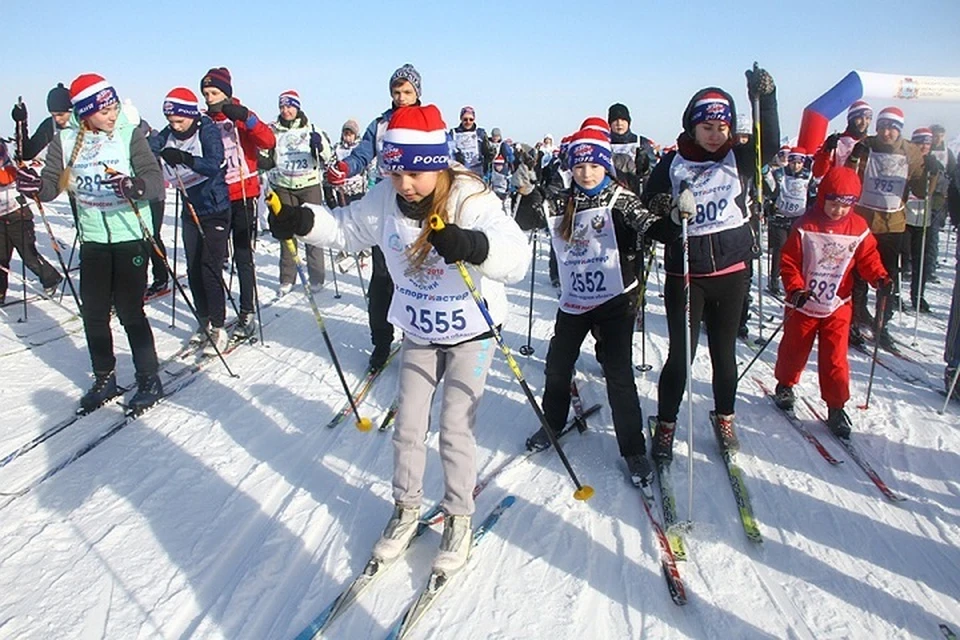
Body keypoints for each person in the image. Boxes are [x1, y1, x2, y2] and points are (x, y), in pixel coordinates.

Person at [268, 104, 528, 576]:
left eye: (414, 172)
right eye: (395, 171)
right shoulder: (386, 198)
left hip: (474, 332)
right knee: (408, 426)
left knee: (453, 428)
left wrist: (472, 245)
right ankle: (407, 509)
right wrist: (301, 221)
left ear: (436, 165)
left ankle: (458, 516)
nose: (404, 183)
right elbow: (346, 229)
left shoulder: (469, 198)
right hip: (419, 330)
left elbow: (515, 256)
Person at [525, 121, 681, 488]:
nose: (587, 173)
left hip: (615, 299)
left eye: (594, 166)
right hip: (576, 299)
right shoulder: (564, 198)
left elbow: (651, 228)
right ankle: (553, 420)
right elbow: (528, 220)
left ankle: (632, 449)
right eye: (579, 167)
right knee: (557, 366)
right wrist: (529, 194)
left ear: (605, 165)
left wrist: (673, 220)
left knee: (618, 375)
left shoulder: (620, 197)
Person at [641, 65, 780, 459]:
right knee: (680, 358)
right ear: (692, 127)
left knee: (724, 355)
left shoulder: (739, 156)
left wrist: (766, 100)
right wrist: (669, 213)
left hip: (732, 271)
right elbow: (650, 210)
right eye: (708, 127)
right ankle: (666, 423)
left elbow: (768, 142)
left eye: (723, 127)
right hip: (686, 274)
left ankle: (724, 416)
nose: (716, 134)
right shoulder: (672, 163)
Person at [16, 73, 164, 413]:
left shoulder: (128, 134)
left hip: (129, 236)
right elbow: (53, 185)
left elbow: (155, 180)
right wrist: (33, 186)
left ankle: (148, 377)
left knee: (130, 311)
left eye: (113, 107)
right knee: (94, 314)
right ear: (85, 112)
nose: (111, 114)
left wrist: (135, 186)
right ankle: (104, 376)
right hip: (94, 238)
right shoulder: (65, 142)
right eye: (103, 110)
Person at [772, 167, 889, 438]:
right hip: (804, 303)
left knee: (835, 358)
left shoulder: (858, 227)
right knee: (794, 348)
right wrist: (795, 288)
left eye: (844, 206)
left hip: (837, 303)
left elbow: (868, 257)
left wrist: (880, 278)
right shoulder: (805, 225)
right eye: (833, 204)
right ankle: (785, 384)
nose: (837, 211)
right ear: (822, 197)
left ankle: (836, 406)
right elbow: (789, 262)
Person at [325, 63, 422, 371]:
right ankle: (381, 341)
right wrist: (345, 168)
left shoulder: (426, 120)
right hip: (386, 205)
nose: (402, 97)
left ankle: (415, 339)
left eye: (407, 91)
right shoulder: (380, 124)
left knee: (415, 277)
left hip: (420, 206)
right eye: (397, 92)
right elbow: (362, 155)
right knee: (381, 277)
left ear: (417, 93)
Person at [151, 87, 231, 355]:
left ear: (191, 115)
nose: (175, 126)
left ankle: (219, 327)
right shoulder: (167, 134)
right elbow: (150, 148)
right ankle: (204, 321)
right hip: (190, 208)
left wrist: (185, 158)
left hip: (216, 208)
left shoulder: (206, 130)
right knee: (194, 269)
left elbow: (214, 163)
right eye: (170, 121)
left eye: (179, 121)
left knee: (210, 268)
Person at [200, 67, 276, 341]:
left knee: (243, 256)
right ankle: (213, 316)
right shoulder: (204, 121)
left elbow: (268, 140)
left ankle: (247, 311)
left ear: (227, 94)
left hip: (244, 194)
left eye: (214, 93)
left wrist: (247, 119)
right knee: (214, 259)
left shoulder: (240, 114)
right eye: (206, 93)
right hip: (215, 197)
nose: (209, 98)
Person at [846, 106, 932, 349]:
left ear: (899, 130)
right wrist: (855, 155)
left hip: (893, 224)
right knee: (858, 276)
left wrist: (930, 172)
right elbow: (848, 176)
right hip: (864, 221)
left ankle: (881, 324)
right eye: (883, 127)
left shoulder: (911, 151)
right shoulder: (867, 145)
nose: (887, 133)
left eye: (892, 128)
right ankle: (855, 320)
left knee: (887, 278)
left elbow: (920, 190)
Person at [262, 89, 331, 295]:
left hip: (308, 184)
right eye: (282, 106)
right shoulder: (273, 130)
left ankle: (317, 277)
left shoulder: (311, 128)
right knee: (286, 232)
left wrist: (318, 147)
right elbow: (265, 154)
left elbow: (327, 156)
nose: (286, 110)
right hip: (283, 185)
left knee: (313, 230)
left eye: (290, 106)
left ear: (297, 107)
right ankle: (287, 277)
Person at [768, 147, 814, 295]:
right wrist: (769, 204)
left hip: (798, 219)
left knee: (797, 251)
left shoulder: (808, 176)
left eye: (799, 163)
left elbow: (812, 194)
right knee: (780, 249)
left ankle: (796, 280)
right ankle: (774, 279)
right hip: (780, 217)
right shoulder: (780, 173)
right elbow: (772, 190)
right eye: (793, 162)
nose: (796, 166)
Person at [904, 127, 937, 312]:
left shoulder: (932, 163)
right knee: (902, 260)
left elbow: (933, 191)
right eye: (920, 142)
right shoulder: (906, 160)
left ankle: (918, 295)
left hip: (923, 218)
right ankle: (895, 295)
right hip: (905, 217)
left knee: (921, 261)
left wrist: (934, 173)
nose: (924, 147)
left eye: (927, 143)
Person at [812, 100, 873, 178]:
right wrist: (826, 151)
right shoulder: (837, 141)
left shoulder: (871, 143)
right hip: (839, 187)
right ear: (851, 119)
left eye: (868, 118)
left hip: (863, 189)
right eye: (859, 118)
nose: (864, 122)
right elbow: (818, 172)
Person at [607, 102, 658, 195]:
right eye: (615, 120)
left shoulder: (641, 142)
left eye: (623, 119)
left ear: (629, 122)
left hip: (638, 191)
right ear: (610, 123)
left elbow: (655, 172)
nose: (619, 123)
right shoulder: (605, 143)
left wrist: (646, 169)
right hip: (611, 192)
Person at [928, 124, 957, 283]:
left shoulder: (947, 153)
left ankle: (930, 267)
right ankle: (915, 264)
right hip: (923, 195)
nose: (937, 138)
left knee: (933, 234)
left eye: (940, 135)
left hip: (939, 197)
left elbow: (952, 173)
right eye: (935, 135)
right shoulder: (923, 148)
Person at [449, 106, 487, 176]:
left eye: (471, 119)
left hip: (476, 170)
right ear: (461, 119)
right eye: (465, 119)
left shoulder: (480, 133)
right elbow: (450, 151)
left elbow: (485, 152)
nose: (468, 122)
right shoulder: (453, 133)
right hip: (459, 170)